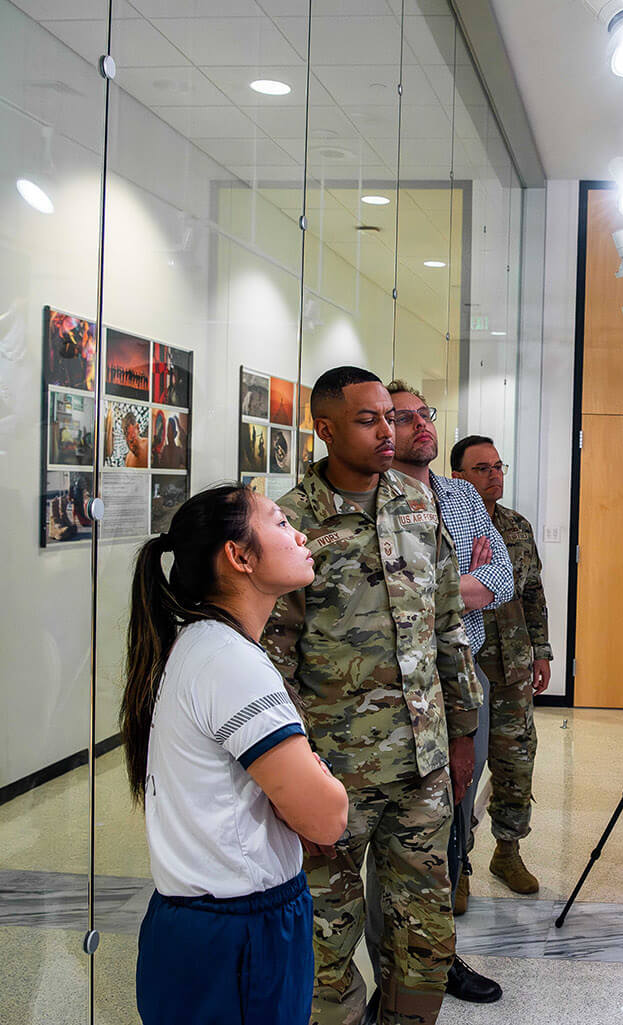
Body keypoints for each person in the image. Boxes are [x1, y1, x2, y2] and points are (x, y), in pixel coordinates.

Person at [262, 366, 481, 1025]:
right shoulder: (289, 522)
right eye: (369, 419)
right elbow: (272, 659)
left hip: (422, 770)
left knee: (426, 942)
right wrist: (295, 780)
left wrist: (463, 733)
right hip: (332, 775)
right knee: (325, 946)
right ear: (324, 429)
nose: (390, 430)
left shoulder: (416, 507)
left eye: (392, 416)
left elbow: (446, 624)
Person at [120, 483, 349, 1025]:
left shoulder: (201, 643)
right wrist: (318, 777)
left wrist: (303, 778)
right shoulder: (232, 664)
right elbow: (327, 817)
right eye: (277, 522)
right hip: (239, 932)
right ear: (240, 556)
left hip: (204, 927)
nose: (299, 534)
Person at [385, 380, 514, 1003]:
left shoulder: (461, 495)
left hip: (462, 675)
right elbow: (389, 597)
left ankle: (440, 956)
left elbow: (501, 579)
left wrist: (442, 584)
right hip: (393, 687)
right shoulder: (374, 497)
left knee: (455, 813)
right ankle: (390, 969)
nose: (420, 426)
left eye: (424, 415)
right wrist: (457, 582)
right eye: (403, 417)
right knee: (398, 830)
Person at [450, 435, 551, 896]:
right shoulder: (445, 523)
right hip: (463, 667)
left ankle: (507, 852)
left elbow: (533, 594)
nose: (495, 475)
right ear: (458, 478)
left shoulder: (516, 526)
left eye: (498, 466)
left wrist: (542, 651)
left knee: (516, 760)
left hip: (512, 665)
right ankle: (459, 863)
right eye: (481, 468)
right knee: (462, 770)